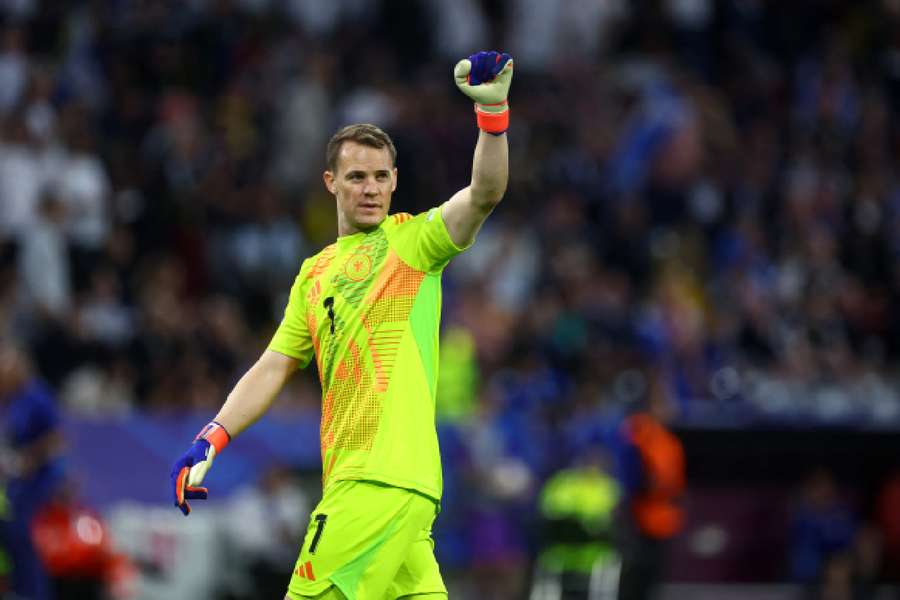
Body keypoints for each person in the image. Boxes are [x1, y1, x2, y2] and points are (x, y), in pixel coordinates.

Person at [170, 50, 514, 600]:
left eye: (381, 176)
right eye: (357, 177)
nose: (371, 188)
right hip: (392, 492)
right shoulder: (314, 274)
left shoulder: (413, 244)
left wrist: (492, 115)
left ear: (396, 181)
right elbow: (275, 364)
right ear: (331, 182)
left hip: (375, 484)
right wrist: (212, 436)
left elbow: (484, 194)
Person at [614, 376, 685, 600]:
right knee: (633, 581)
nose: (670, 407)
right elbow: (633, 475)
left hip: (661, 521)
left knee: (651, 583)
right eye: (663, 402)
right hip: (637, 521)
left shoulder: (668, 440)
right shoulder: (639, 431)